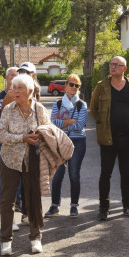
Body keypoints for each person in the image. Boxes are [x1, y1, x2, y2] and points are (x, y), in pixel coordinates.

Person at [0, 73, 51, 254]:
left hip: (32, 160)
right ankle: (5, 240)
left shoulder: (40, 109)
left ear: (30, 91)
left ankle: (35, 238)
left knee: (33, 198)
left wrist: (39, 136)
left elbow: (49, 131)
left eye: (20, 88)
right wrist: (23, 138)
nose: (15, 91)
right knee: (7, 200)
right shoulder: (8, 110)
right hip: (10, 160)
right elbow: (1, 135)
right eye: (14, 87)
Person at [89, 56, 129, 221]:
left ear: (124, 68)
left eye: (117, 65)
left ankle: (127, 206)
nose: (113, 67)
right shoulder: (101, 86)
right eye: (111, 64)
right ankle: (103, 208)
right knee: (106, 173)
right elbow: (94, 109)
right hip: (108, 138)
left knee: (127, 173)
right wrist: (105, 124)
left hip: (128, 138)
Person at [46, 73, 88, 218]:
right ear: (66, 86)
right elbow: (52, 123)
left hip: (77, 142)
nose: (74, 88)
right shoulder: (58, 103)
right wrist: (70, 121)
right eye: (71, 84)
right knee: (57, 175)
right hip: (60, 141)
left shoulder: (82, 104)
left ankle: (74, 207)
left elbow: (80, 125)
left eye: (77, 85)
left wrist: (63, 122)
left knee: (74, 175)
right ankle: (54, 206)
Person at [0, 66, 19, 215]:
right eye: (12, 76)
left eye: (17, 76)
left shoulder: (23, 95)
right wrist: (8, 98)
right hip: (3, 141)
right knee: (2, 173)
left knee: (19, 173)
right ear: (6, 78)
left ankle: (17, 202)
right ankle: (0, 201)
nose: (14, 79)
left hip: (20, 140)